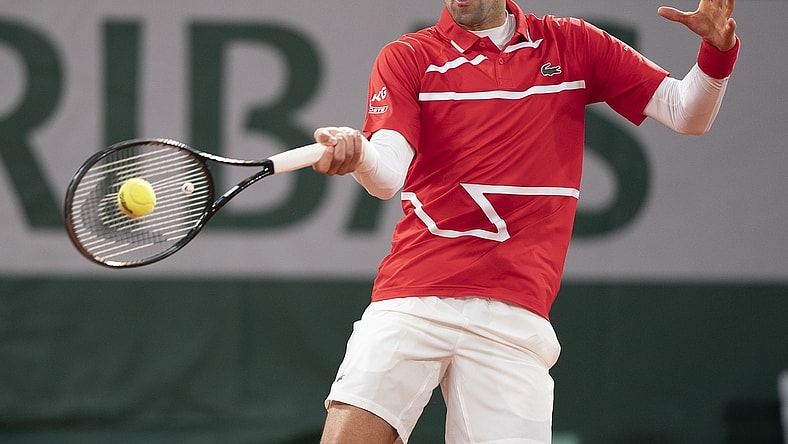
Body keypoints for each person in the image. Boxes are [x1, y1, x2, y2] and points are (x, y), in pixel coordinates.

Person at [312, 0, 739, 442]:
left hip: (515, 313)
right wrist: (359, 154)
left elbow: (685, 112)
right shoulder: (407, 56)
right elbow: (386, 176)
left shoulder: (573, 42)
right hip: (415, 296)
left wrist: (717, 50)